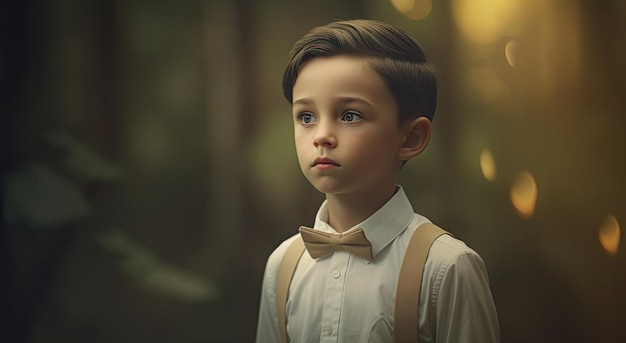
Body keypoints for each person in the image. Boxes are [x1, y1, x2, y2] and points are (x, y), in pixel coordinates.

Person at [256, 19, 499, 342]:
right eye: (307, 117)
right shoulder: (283, 265)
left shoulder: (446, 268)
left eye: (350, 115)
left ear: (411, 137)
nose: (322, 136)